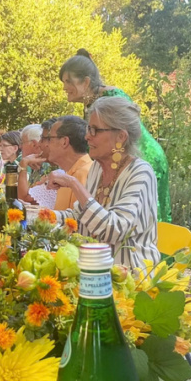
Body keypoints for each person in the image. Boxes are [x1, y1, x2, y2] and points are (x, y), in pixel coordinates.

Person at [59, 49, 172, 222]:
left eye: (68, 81)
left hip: (145, 155)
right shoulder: (94, 102)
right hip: (121, 158)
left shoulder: (112, 97)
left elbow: (131, 132)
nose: (64, 87)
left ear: (86, 81)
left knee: (147, 217)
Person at [49, 96, 160, 268]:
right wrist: (42, 217)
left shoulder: (140, 172)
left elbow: (114, 230)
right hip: (94, 272)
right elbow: (80, 217)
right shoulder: (97, 168)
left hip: (130, 279)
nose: (87, 136)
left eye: (94, 130)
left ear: (121, 136)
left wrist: (74, 184)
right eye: (88, 129)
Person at [44, 116, 93, 211]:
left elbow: (78, 222)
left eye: (49, 138)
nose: (46, 144)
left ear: (64, 142)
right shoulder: (69, 173)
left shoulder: (85, 173)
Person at [18, 123, 52, 203]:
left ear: (34, 144)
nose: (20, 146)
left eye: (22, 142)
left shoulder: (49, 165)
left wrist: (23, 165)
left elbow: (23, 199)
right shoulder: (35, 163)